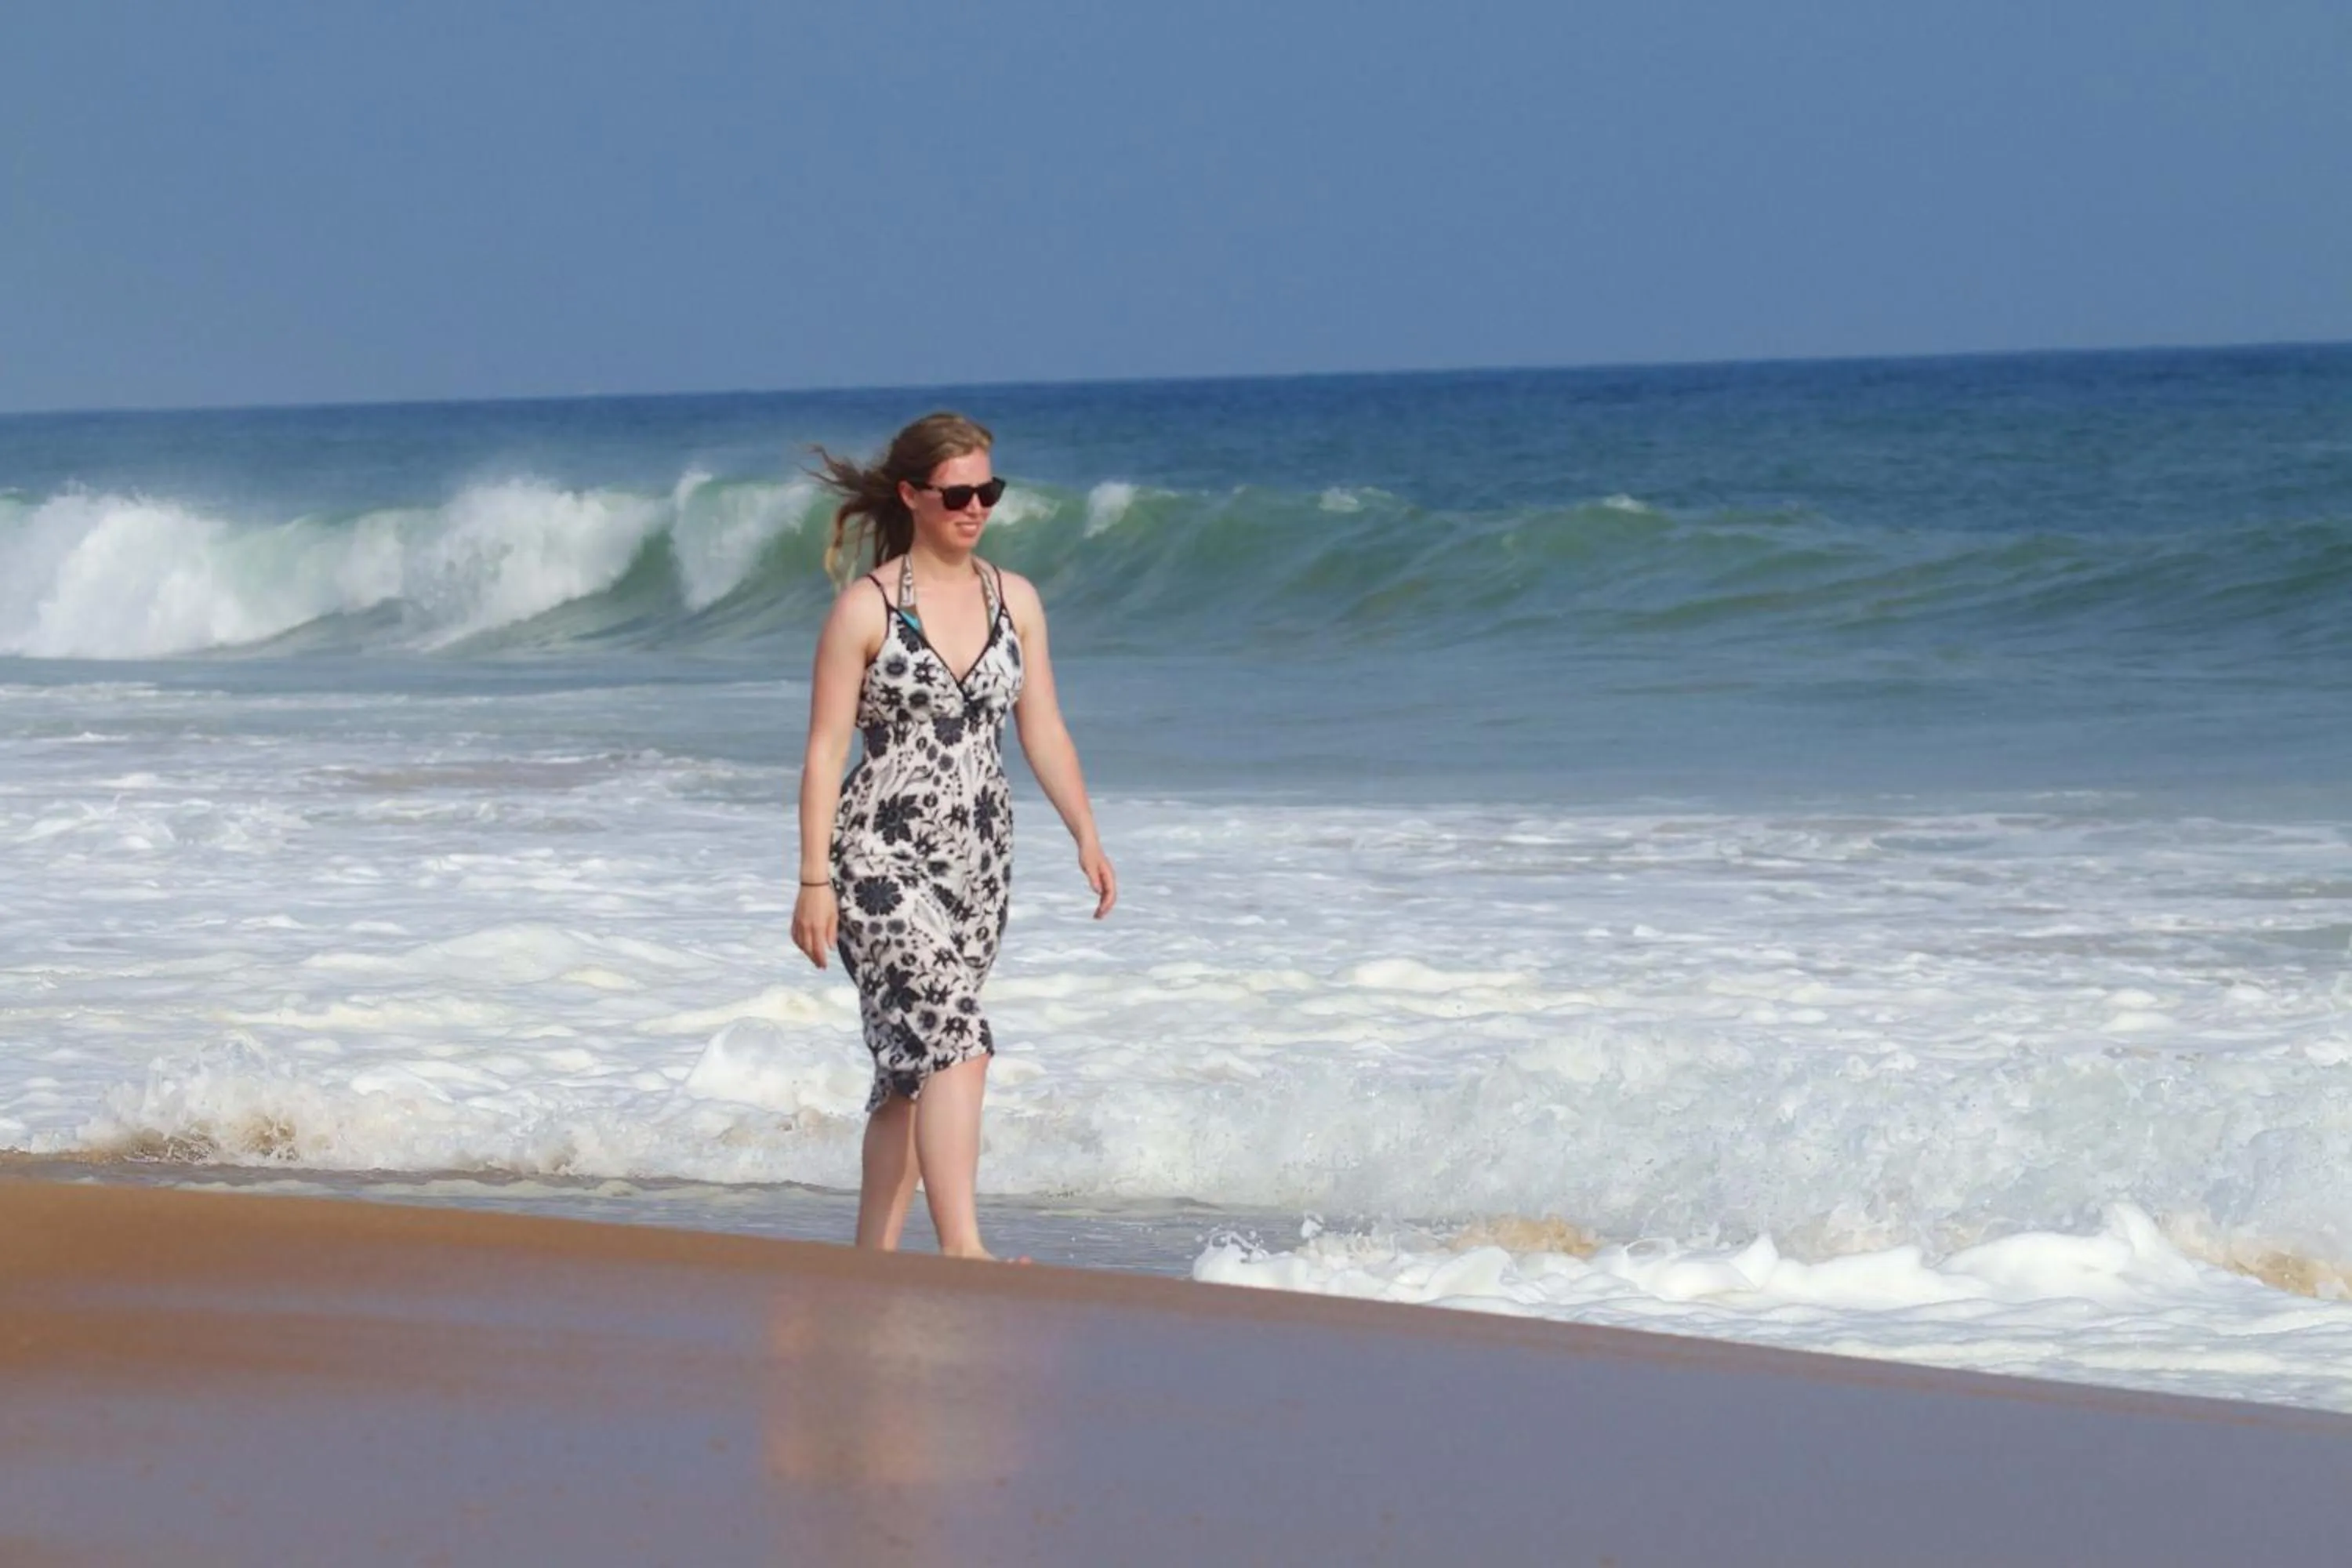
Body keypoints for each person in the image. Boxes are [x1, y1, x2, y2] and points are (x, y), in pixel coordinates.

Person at [792, 412, 1116, 1260]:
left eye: (989, 491)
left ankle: (870, 1264)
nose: (977, 508)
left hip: (978, 864)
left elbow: (1043, 727)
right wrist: (814, 880)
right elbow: (825, 751)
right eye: (958, 494)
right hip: (877, 858)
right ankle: (964, 1252)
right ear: (912, 496)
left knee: (911, 1066)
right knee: (958, 1038)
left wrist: (1085, 832)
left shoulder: (1016, 601)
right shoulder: (867, 609)